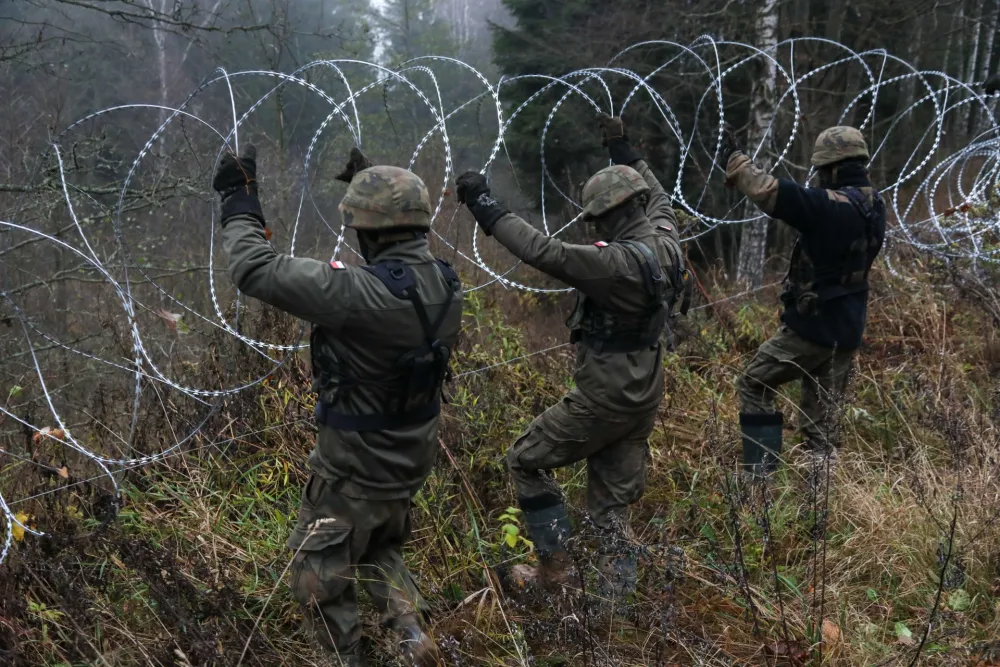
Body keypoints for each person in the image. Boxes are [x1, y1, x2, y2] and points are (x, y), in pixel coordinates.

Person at [213, 144, 462, 667]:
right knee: (378, 546)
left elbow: (254, 268)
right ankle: (412, 636)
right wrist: (374, 186)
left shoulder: (357, 294)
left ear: (370, 232)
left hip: (354, 468)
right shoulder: (445, 282)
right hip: (408, 458)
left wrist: (239, 197)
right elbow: (397, 272)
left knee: (317, 577)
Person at [454, 114, 690, 598]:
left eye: (597, 219)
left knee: (524, 460)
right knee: (611, 506)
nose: (594, 226)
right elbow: (660, 195)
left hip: (602, 399)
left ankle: (555, 571)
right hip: (644, 394)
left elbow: (543, 251)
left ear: (608, 217)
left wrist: (484, 204)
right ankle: (614, 607)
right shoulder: (667, 241)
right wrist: (624, 149)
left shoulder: (613, 264)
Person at [722, 126, 886, 475]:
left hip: (813, 329)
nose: (819, 177)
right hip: (847, 329)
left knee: (753, 382)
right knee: (821, 427)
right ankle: (819, 493)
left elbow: (768, 192)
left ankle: (761, 474)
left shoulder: (828, 206)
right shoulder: (875, 204)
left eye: (822, 170)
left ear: (832, 169)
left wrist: (737, 162)